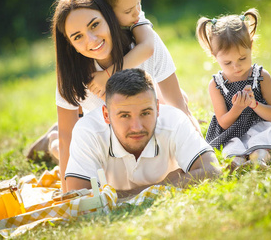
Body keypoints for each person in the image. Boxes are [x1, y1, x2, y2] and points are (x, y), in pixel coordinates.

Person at [49, 0, 200, 192]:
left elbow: (180, 109)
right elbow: (68, 136)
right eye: (78, 37)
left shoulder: (145, 46)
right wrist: (67, 193)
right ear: (70, 44)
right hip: (107, 147)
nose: (92, 40)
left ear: (109, 16)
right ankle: (50, 142)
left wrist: (199, 153)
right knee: (63, 144)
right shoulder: (72, 75)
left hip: (148, 132)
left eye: (95, 25)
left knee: (176, 99)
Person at [65, 68, 220, 197]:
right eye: (125, 115)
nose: (137, 127)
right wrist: (163, 185)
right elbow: (78, 198)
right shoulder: (88, 131)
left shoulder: (173, 120)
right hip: (89, 145)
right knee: (57, 149)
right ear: (106, 115)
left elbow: (212, 170)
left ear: (158, 109)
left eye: (145, 113)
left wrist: (113, 197)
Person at [196, 8, 271, 170]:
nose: (236, 67)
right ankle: (236, 165)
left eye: (242, 58)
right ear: (214, 56)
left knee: (262, 142)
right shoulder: (216, 85)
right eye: (227, 63)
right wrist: (237, 108)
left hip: (262, 125)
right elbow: (223, 122)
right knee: (234, 148)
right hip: (234, 131)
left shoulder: (261, 76)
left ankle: (259, 161)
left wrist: (254, 104)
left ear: (251, 46)